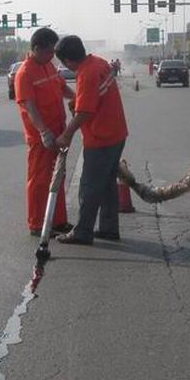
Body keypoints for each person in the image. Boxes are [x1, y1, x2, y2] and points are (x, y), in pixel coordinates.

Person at [53, 35, 128, 245]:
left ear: (67, 60)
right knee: (107, 186)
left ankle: (82, 232)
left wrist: (66, 135)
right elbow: (93, 95)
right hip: (117, 133)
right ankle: (109, 228)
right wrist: (77, 101)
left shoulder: (86, 73)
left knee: (89, 187)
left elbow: (85, 112)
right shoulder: (99, 62)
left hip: (102, 137)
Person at [14, 28, 75, 236]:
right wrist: (43, 132)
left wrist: (77, 99)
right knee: (40, 180)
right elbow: (29, 106)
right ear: (37, 49)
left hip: (59, 132)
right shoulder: (25, 73)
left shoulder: (49, 66)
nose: (53, 56)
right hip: (42, 138)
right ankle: (37, 223)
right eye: (50, 51)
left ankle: (57, 221)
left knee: (57, 176)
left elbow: (63, 89)